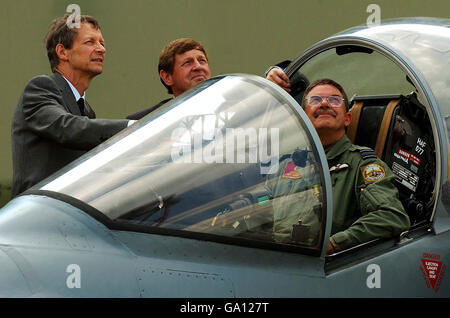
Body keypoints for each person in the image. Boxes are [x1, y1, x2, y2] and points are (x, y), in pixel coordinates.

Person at [267, 77, 410, 254]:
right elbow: (259, 210)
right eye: (315, 100)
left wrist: (334, 244)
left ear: (347, 118)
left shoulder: (363, 165)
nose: (325, 103)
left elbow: (391, 216)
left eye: (334, 100)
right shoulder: (286, 166)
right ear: (302, 118)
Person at [11, 14, 133, 198]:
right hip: (39, 217)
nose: (100, 49)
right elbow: (67, 127)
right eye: (90, 42)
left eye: (102, 43)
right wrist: (132, 128)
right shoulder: (40, 88)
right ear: (62, 52)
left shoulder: (87, 111)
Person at [126, 38, 211, 120]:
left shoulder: (224, 107)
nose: (198, 67)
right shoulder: (142, 122)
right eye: (187, 63)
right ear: (167, 77)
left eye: (202, 61)